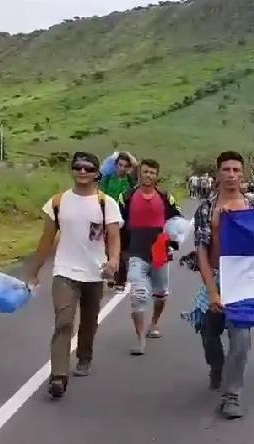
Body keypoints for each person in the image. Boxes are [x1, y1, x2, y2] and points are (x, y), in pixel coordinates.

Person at [26, 152, 123, 399]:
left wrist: (113, 261)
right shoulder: (58, 202)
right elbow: (46, 240)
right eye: (78, 167)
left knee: (89, 320)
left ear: (96, 173)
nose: (82, 172)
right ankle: (58, 375)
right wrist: (34, 271)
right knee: (64, 322)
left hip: (95, 271)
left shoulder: (106, 203)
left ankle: (84, 355)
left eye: (88, 168)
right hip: (64, 271)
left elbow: (113, 237)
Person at [195, 151, 254, 419]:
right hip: (216, 275)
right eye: (226, 170)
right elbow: (201, 251)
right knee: (209, 334)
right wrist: (212, 291)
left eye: (236, 170)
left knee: (242, 340)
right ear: (218, 173)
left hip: (245, 282)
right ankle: (216, 367)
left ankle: (231, 395)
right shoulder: (206, 208)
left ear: (243, 173)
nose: (232, 175)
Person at [120, 158, 182, 355]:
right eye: (145, 172)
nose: (148, 175)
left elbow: (177, 221)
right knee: (137, 295)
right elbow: (118, 225)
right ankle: (140, 340)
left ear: (157, 175)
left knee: (161, 293)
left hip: (160, 253)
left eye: (152, 173)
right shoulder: (126, 197)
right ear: (139, 173)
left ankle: (154, 323)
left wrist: (173, 244)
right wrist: (119, 251)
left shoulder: (165, 197)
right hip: (136, 252)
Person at [100, 152, 137, 292]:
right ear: (115, 165)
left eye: (125, 166)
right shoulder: (108, 179)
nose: (122, 168)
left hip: (126, 218)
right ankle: (112, 274)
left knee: (122, 250)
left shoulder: (130, 180)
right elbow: (101, 196)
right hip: (109, 218)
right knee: (108, 248)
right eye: (120, 165)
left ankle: (121, 279)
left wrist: (127, 154)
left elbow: (138, 167)